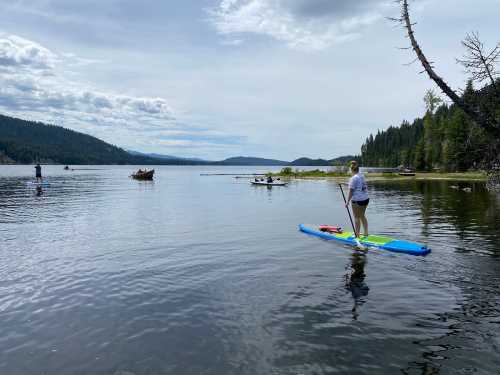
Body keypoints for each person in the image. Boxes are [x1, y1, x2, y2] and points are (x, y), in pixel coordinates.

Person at [345, 162, 369, 238]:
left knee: (356, 217)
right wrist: (344, 184)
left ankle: (357, 235)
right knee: (362, 216)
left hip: (357, 200)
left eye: (350, 169)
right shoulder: (362, 176)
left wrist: (347, 201)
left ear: (352, 170)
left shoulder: (353, 178)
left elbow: (351, 190)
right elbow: (357, 186)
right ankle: (366, 233)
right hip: (366, 199)